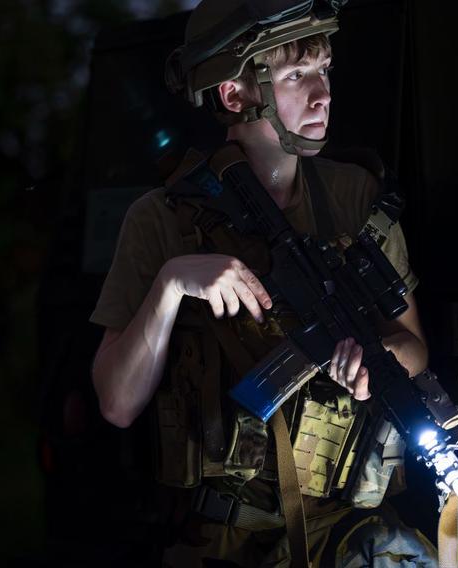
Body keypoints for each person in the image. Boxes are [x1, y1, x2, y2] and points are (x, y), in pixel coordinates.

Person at [89, 1, 438, 566]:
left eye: (323, 69)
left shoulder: (355, 201)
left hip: (347, 529)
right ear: (234, 95)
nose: (322, 92)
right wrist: (172, 286)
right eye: (296, 75)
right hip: (223, 539)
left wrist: (378, 360)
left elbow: (413, 345)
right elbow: (116, 402)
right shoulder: (163, 218)